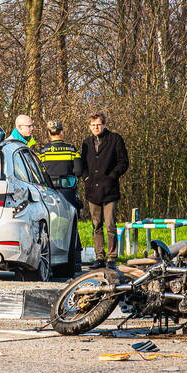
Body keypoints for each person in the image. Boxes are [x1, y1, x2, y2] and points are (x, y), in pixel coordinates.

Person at [79, 111, 129, 270]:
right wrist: (85, 178)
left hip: (109, 189)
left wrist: (112, 176)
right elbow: (82, 164)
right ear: (89, 126)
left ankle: (111, 257)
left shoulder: (115, 139)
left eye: (98, 125)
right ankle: (99, 256)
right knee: (96, 225)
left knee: (110, 226)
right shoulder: (86, 142)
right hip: (92, 191)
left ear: (104, 125)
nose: (96, 127)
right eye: (93, 125)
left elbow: (123, 162)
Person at [36, 121, 83, 268]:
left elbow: (37, 172)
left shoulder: (42, 151)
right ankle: (75, 259)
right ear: (62, 132)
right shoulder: (71, 150)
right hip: (67, 192)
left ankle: (48, 255)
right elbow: (79, 171)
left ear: (49, 133)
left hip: (47, 193)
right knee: (70, 225)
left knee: (48, 225)